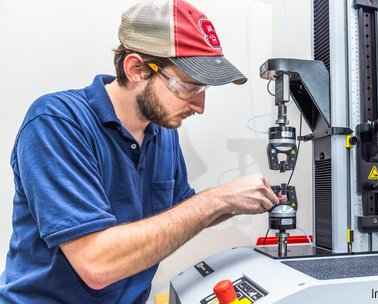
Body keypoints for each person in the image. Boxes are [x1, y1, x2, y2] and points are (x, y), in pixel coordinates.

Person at [0, 1, 282, 303]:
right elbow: (96, 263)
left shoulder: (162, 131)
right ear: (136, 69)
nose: (200, 107)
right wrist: (218, 199)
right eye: (188, 87)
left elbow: (180, 209)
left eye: (205, 91)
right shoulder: (57, 123)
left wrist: (239, 200)